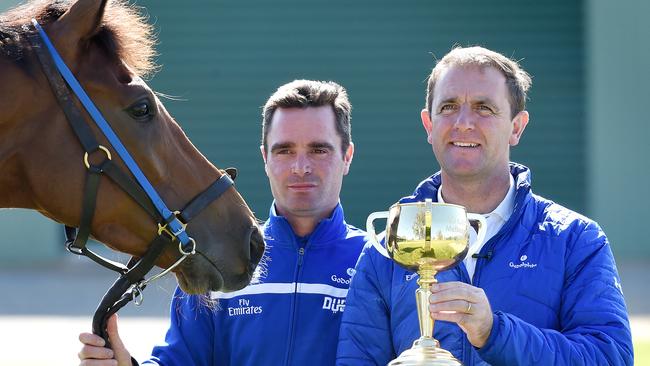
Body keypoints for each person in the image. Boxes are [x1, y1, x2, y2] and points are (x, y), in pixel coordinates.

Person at [336, 46, 633, 365]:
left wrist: (495, 333)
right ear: (429, 125)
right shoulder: (387, 252)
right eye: (449, 106)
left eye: (484, 108)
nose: (463, 123)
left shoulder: (576, 240)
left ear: (516, 127)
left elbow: (610, 357)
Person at [78, 79, 369, 366]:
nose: (300, 167)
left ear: (347, 156)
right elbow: (181, 359)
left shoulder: (378, 263)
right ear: (265, 158)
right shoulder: (219, 254)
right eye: (285, 150)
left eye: (319, 150)